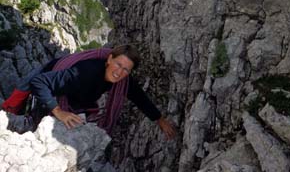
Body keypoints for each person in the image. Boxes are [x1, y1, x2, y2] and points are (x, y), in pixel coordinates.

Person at [2, 44, 176, 139]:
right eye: (118, 64)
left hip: (74, 91)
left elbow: (139, 97)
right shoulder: (84, 73)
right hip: (49, 77)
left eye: (126, 70)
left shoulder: (123, 80)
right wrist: (59, 111)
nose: (119, 72)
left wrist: (159, 119)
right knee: (23, 117)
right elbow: (39, 81)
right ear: (109, 59)